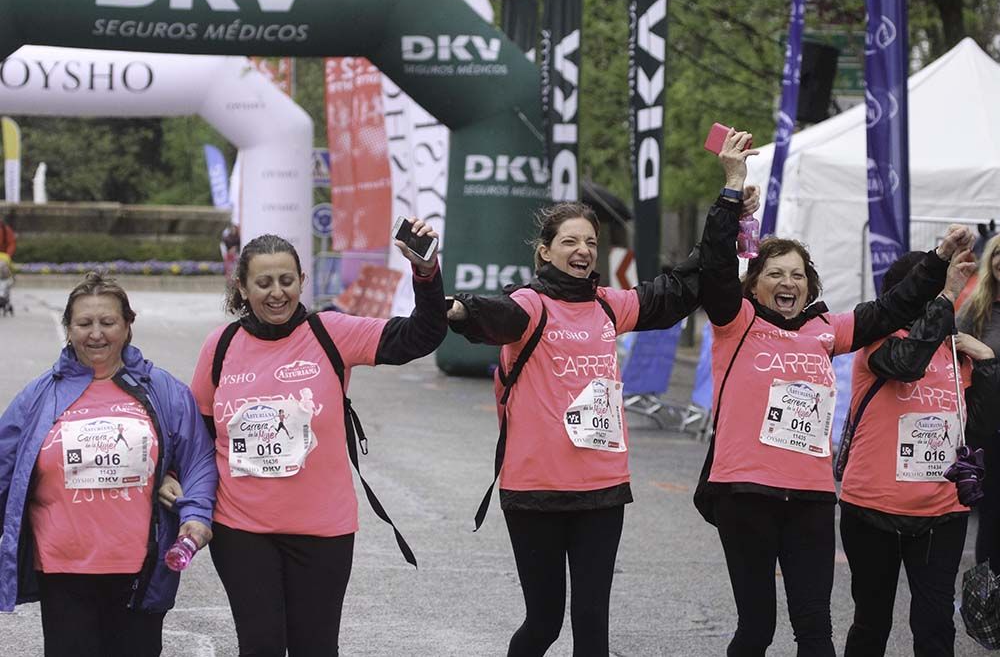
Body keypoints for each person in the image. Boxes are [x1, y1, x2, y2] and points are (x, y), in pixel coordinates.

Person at [446, 171, 757, 656]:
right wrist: (461, 310)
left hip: (601, 489)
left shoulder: (609, 306)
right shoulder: (529, 305)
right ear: (545, 251)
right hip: (536, 491)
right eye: (570, 241)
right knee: (544, 623)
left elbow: (681, 284)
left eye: (590, 242)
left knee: (593, 626)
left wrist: (728, 205)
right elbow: (495, 314)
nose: (583, 250)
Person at [694, 128, 973, 656]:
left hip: (811, 499)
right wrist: (732, 186)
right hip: (745, 494)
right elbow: (714, 265)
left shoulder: (828, 330)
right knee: (756, 629)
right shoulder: (736, 322)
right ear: (754, 285)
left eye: (798, 275)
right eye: (775, 273)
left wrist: (938, 258)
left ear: (810, 285)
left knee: (816, 634)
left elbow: (892, 309)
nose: (788, 282)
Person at [183, 224, 446, 656]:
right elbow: (199, 432)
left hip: (323, 529)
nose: (277, 293)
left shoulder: (331, 332)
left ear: (302, 281)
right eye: (264, 283)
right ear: (243, 287)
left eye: (286, 280)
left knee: (316, 647)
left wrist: (426, 272)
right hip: (242, 528)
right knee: (260, 647)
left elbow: (421, 336)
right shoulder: (221, 345)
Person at [0, 272, 217, 657]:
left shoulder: (162, 390)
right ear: (68, 329)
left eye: (108, 322)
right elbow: (3, 464)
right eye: (84, 323)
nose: (96, 334)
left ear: (128, 325)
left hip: (140, 567)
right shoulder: (38, 396)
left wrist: (196, 515)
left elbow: (198, 458)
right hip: (62, 568)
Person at [838, 250, 1000, 656]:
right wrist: (944, 299)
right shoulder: (876, 342)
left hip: (942, 512)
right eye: (927, 291)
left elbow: (979, 427)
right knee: (871, 623)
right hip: (872, 510)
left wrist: (987, 361)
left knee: (935, 626)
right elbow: (908, 364)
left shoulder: (957, 352)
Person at [958, 233, 1000, 571]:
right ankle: (987, 594)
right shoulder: (977, 307)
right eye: (998, 253)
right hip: (989, 427)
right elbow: (951, 349)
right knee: (992, 517)